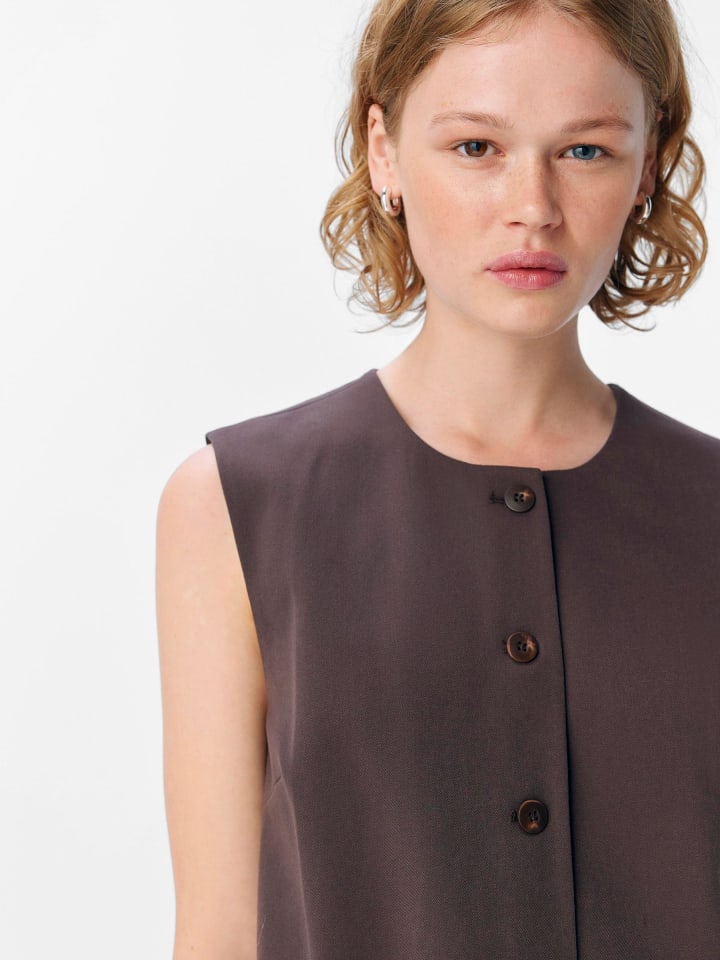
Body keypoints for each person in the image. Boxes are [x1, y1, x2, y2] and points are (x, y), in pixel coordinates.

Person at [156, 1, 718, 957]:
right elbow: (219, 934)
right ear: (384, 151)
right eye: (476, 147)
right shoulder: (233, 508)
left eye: (584, 150)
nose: (533, 206)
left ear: (649, 164)